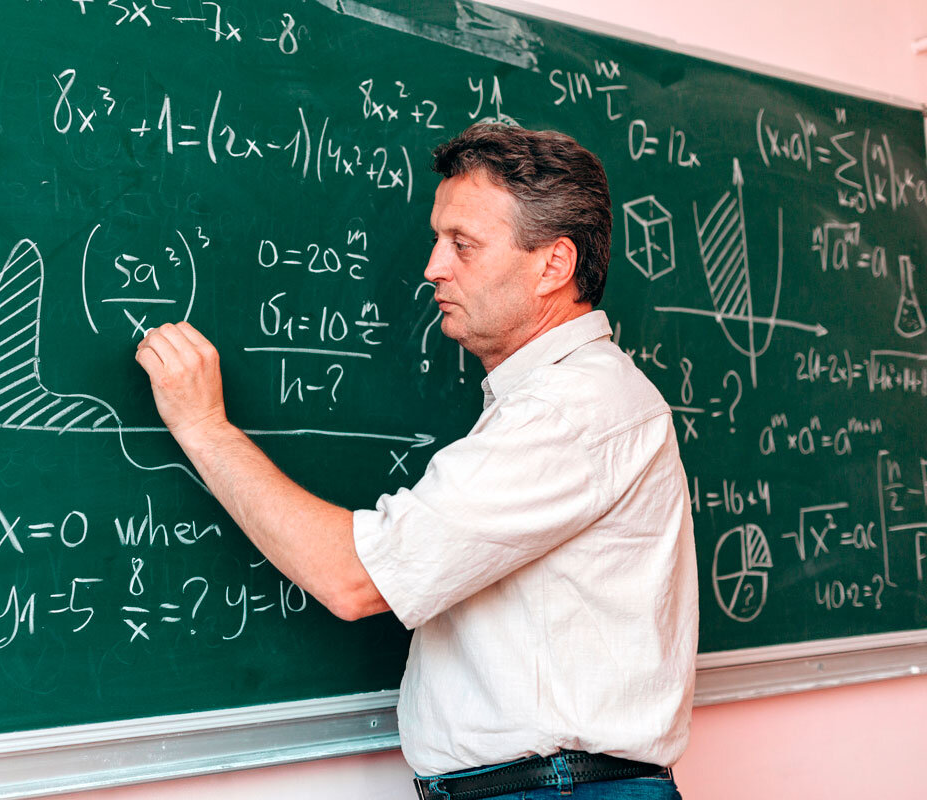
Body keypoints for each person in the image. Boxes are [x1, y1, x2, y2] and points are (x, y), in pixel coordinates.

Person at [134, 123, 698, 800]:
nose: (433, 267)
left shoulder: (567, 411)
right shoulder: (565, 399)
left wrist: (204, 427)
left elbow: (353, 579)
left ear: (554, 265)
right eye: (438, 240)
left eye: (463, 244)